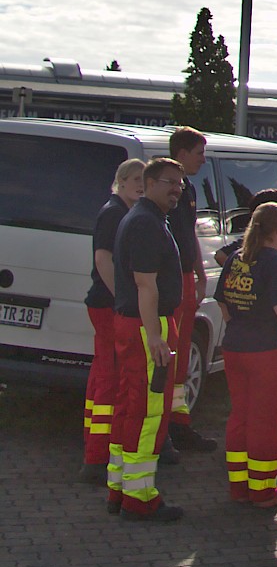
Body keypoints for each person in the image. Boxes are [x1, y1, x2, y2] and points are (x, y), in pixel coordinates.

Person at [109, 157, 187, 522]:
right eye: (170, 182)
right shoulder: (145, 223)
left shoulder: (146, 219)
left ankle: (120, 489)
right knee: (148, 413)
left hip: (135, 324)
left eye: (181, 184)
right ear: (150, 182)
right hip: (146, 327)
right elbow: (146, 284)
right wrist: (156, 336)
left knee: (129, 407)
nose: (177, 189)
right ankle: (139, 500)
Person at [215, 201, 277, 509]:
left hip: (236, 346)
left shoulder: (237, 259)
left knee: (240, 416)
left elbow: (224, 303)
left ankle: (239, 485)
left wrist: (240, 326)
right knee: (266, 420)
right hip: (270, 351)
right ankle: (263, 489)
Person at [81, 159, 145, 483]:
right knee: (110, 375)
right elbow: (102, 258)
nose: (140, 185)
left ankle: (95, 449)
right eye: (135, 179)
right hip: (108, 305)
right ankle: (97, 455)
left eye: (144, 180)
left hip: (105, 303)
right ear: (120, 180)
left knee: (101, 372)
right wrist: (121, 296)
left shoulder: (120, 210)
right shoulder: (114, 212)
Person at [165, 127, 217, 453]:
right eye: (199, 153)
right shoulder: (167, 191)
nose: (203, 159)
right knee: (170, 356)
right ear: (182, 153)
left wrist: (198, 272)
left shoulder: (188, 189)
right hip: (170, 279)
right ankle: (165, 431)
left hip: (185, 277)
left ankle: (179, 425)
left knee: (182, 356)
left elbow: (189, 235)